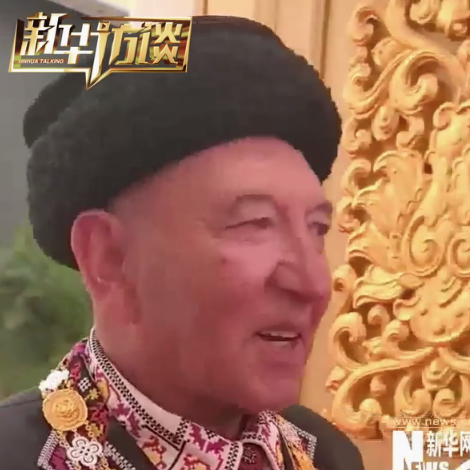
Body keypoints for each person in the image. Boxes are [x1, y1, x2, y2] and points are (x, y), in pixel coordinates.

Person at [0, 15, 364, 470]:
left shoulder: (325, 454)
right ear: (108, 256)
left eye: (317, 229)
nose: (312, 284)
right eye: (256, 224)